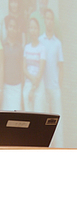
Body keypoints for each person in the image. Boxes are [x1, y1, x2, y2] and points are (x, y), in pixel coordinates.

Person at [39, 8, 64, 147]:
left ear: (53, 22)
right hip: (42, 90)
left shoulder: (57, 43)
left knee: (58, 123)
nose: (49, 21)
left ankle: (60, 150)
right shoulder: (39, 40)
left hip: (54, 89)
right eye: (46, 18)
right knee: (44, 124)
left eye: (51, 19)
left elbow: (61, 67)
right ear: (44, 21)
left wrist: (58, 86)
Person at [23, 18, 47, 112]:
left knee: (38, 116)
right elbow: (24, 68)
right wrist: (32, 80)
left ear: (39, 30)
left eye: (35, 28)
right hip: (28, 84)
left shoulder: (42, 48)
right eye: (31, 28)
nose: (33, 30)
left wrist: (33, 89)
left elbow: (41, 70)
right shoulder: (26, 48)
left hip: (39, 85)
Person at [2, 16, 24, 110]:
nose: (12, 29)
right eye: (10, 26)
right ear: (7, 28)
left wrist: (22, 87)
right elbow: (0, 66)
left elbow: (22, 68)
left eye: (14, 27)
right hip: (5, 86)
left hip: (17, 87)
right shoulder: (2, 45)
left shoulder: (20, 47)